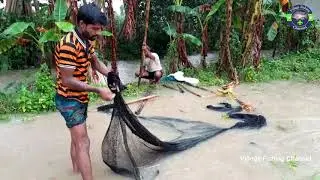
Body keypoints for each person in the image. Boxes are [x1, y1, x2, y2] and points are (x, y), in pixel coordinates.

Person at [54, 3, 119, 180]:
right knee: (83, 142)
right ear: (82, 24)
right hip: (68, 100)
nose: (98, 32)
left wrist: (111, 74)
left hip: (80, 97)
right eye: (94, 28)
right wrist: (98, 90)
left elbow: (95, 62)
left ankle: (75, 170)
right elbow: (67, 81)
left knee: (76, 137)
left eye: (100, 28)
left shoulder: (87, 40)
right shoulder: (69, 45)